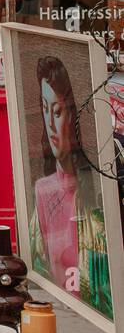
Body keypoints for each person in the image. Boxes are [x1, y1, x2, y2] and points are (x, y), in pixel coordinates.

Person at [27, 55, 113, 317]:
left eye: (58, 112)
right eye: (44, 109)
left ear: (75, 116)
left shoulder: (98, 192)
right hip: (57, 315)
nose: (50, 124)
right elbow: (39, 269)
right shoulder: (43, 190)